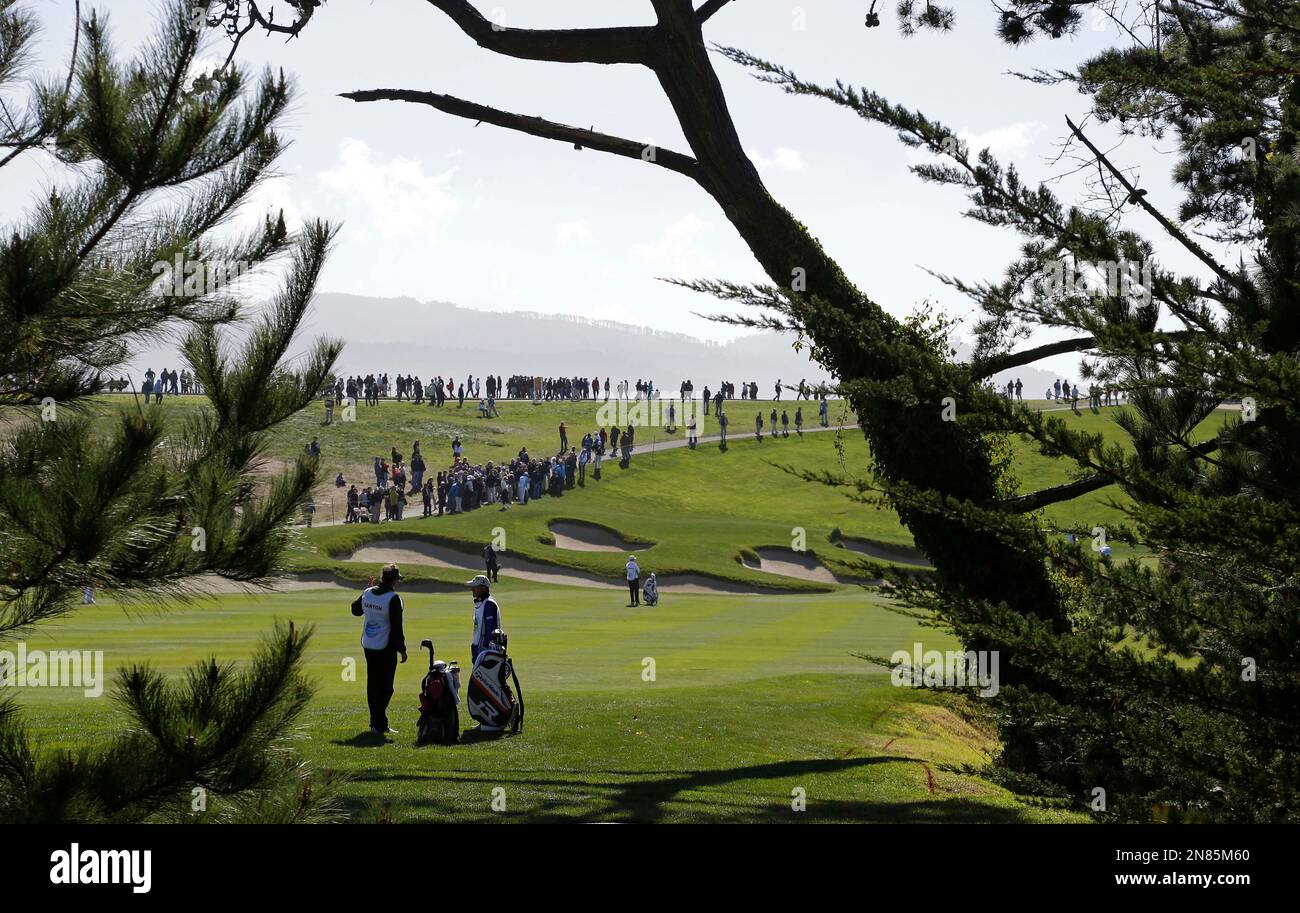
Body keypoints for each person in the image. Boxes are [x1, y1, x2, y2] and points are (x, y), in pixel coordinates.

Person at [350, 564, 409, 735]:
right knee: (386, 688)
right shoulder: (393, 599)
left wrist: (364, 592)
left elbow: (355, 610)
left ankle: (377, 723)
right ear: (395, 580)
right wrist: (402, 649)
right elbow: (397, 627)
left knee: (373, 684)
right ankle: (378, 722)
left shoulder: (368, 592)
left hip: (369, 645)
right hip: (385, 647)